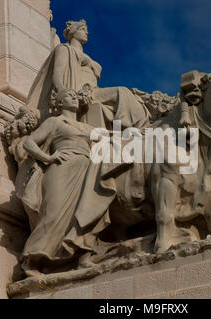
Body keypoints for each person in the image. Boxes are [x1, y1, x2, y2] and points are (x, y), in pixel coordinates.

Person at [20, 89, 117, 275]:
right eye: (69, 95)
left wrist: (137, 134)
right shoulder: (55, 122)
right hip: (61, 169)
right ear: (59, 102)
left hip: (86, 172)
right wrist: (46, 158)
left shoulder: (88, 128)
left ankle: (82, 257)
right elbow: (29, 143)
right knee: (53, 214)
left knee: (87, 212)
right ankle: (31, 260)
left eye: (75, 96)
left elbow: (111, 139)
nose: (74, 97)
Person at [27, 19, 150, 130]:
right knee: (121, 92)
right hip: (82, 93)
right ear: (73, 32)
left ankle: (132, 125)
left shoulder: (84, 56)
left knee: (132, 96)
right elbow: (57, 74)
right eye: (83, 30)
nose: (87, 33)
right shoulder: (64, 49)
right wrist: (64, 93)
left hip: (92, 91)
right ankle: (133, 125)